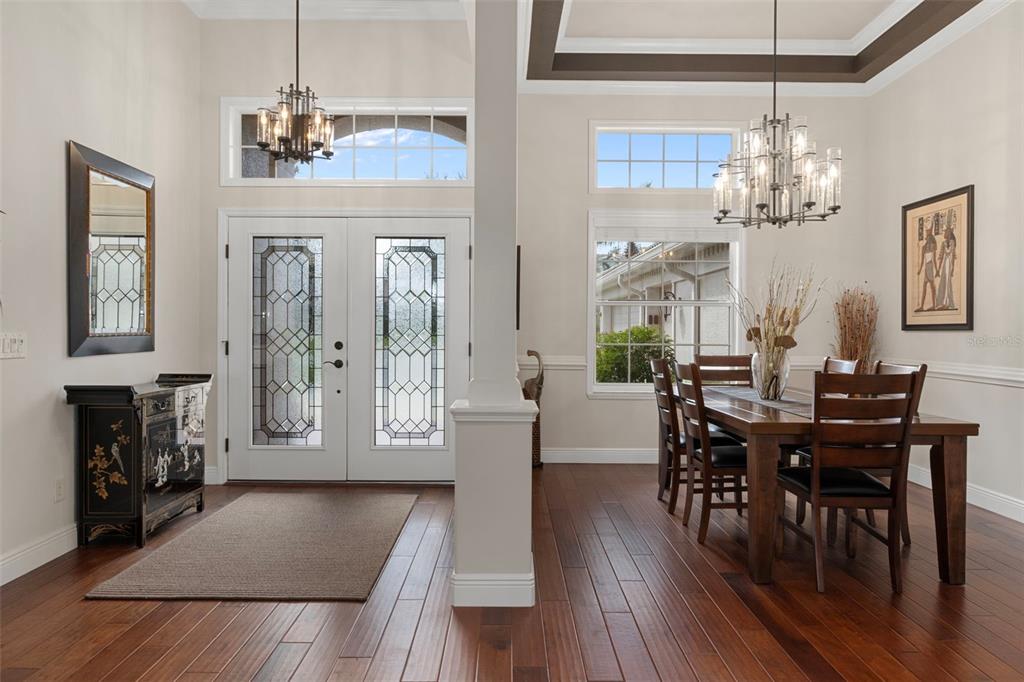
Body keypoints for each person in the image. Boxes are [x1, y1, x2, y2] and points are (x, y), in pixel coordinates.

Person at [916, 221, 938, 312]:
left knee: (932, 286)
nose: (928, 237)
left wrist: (936, 270)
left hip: (930, 267)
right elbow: (922, 260)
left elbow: (934, 259)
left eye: (929, 235)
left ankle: (933, 305)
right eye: (927, 236)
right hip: (926, 267)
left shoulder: (933, 246)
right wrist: (920, 270)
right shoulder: (923, 248)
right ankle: (922, 306)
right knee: (925, 286)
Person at [935, 225, 958, 310]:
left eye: (946, 231)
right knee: (943, 281)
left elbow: (953, 256)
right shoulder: (943, 243)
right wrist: (938, 269)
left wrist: (953, 269)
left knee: (948, 282)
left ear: (949, 233)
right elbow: (941, 256)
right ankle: (943, 302)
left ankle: (947, 302)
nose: (945, 233)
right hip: (945, 264)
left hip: (949, 264)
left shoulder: (952, 242)